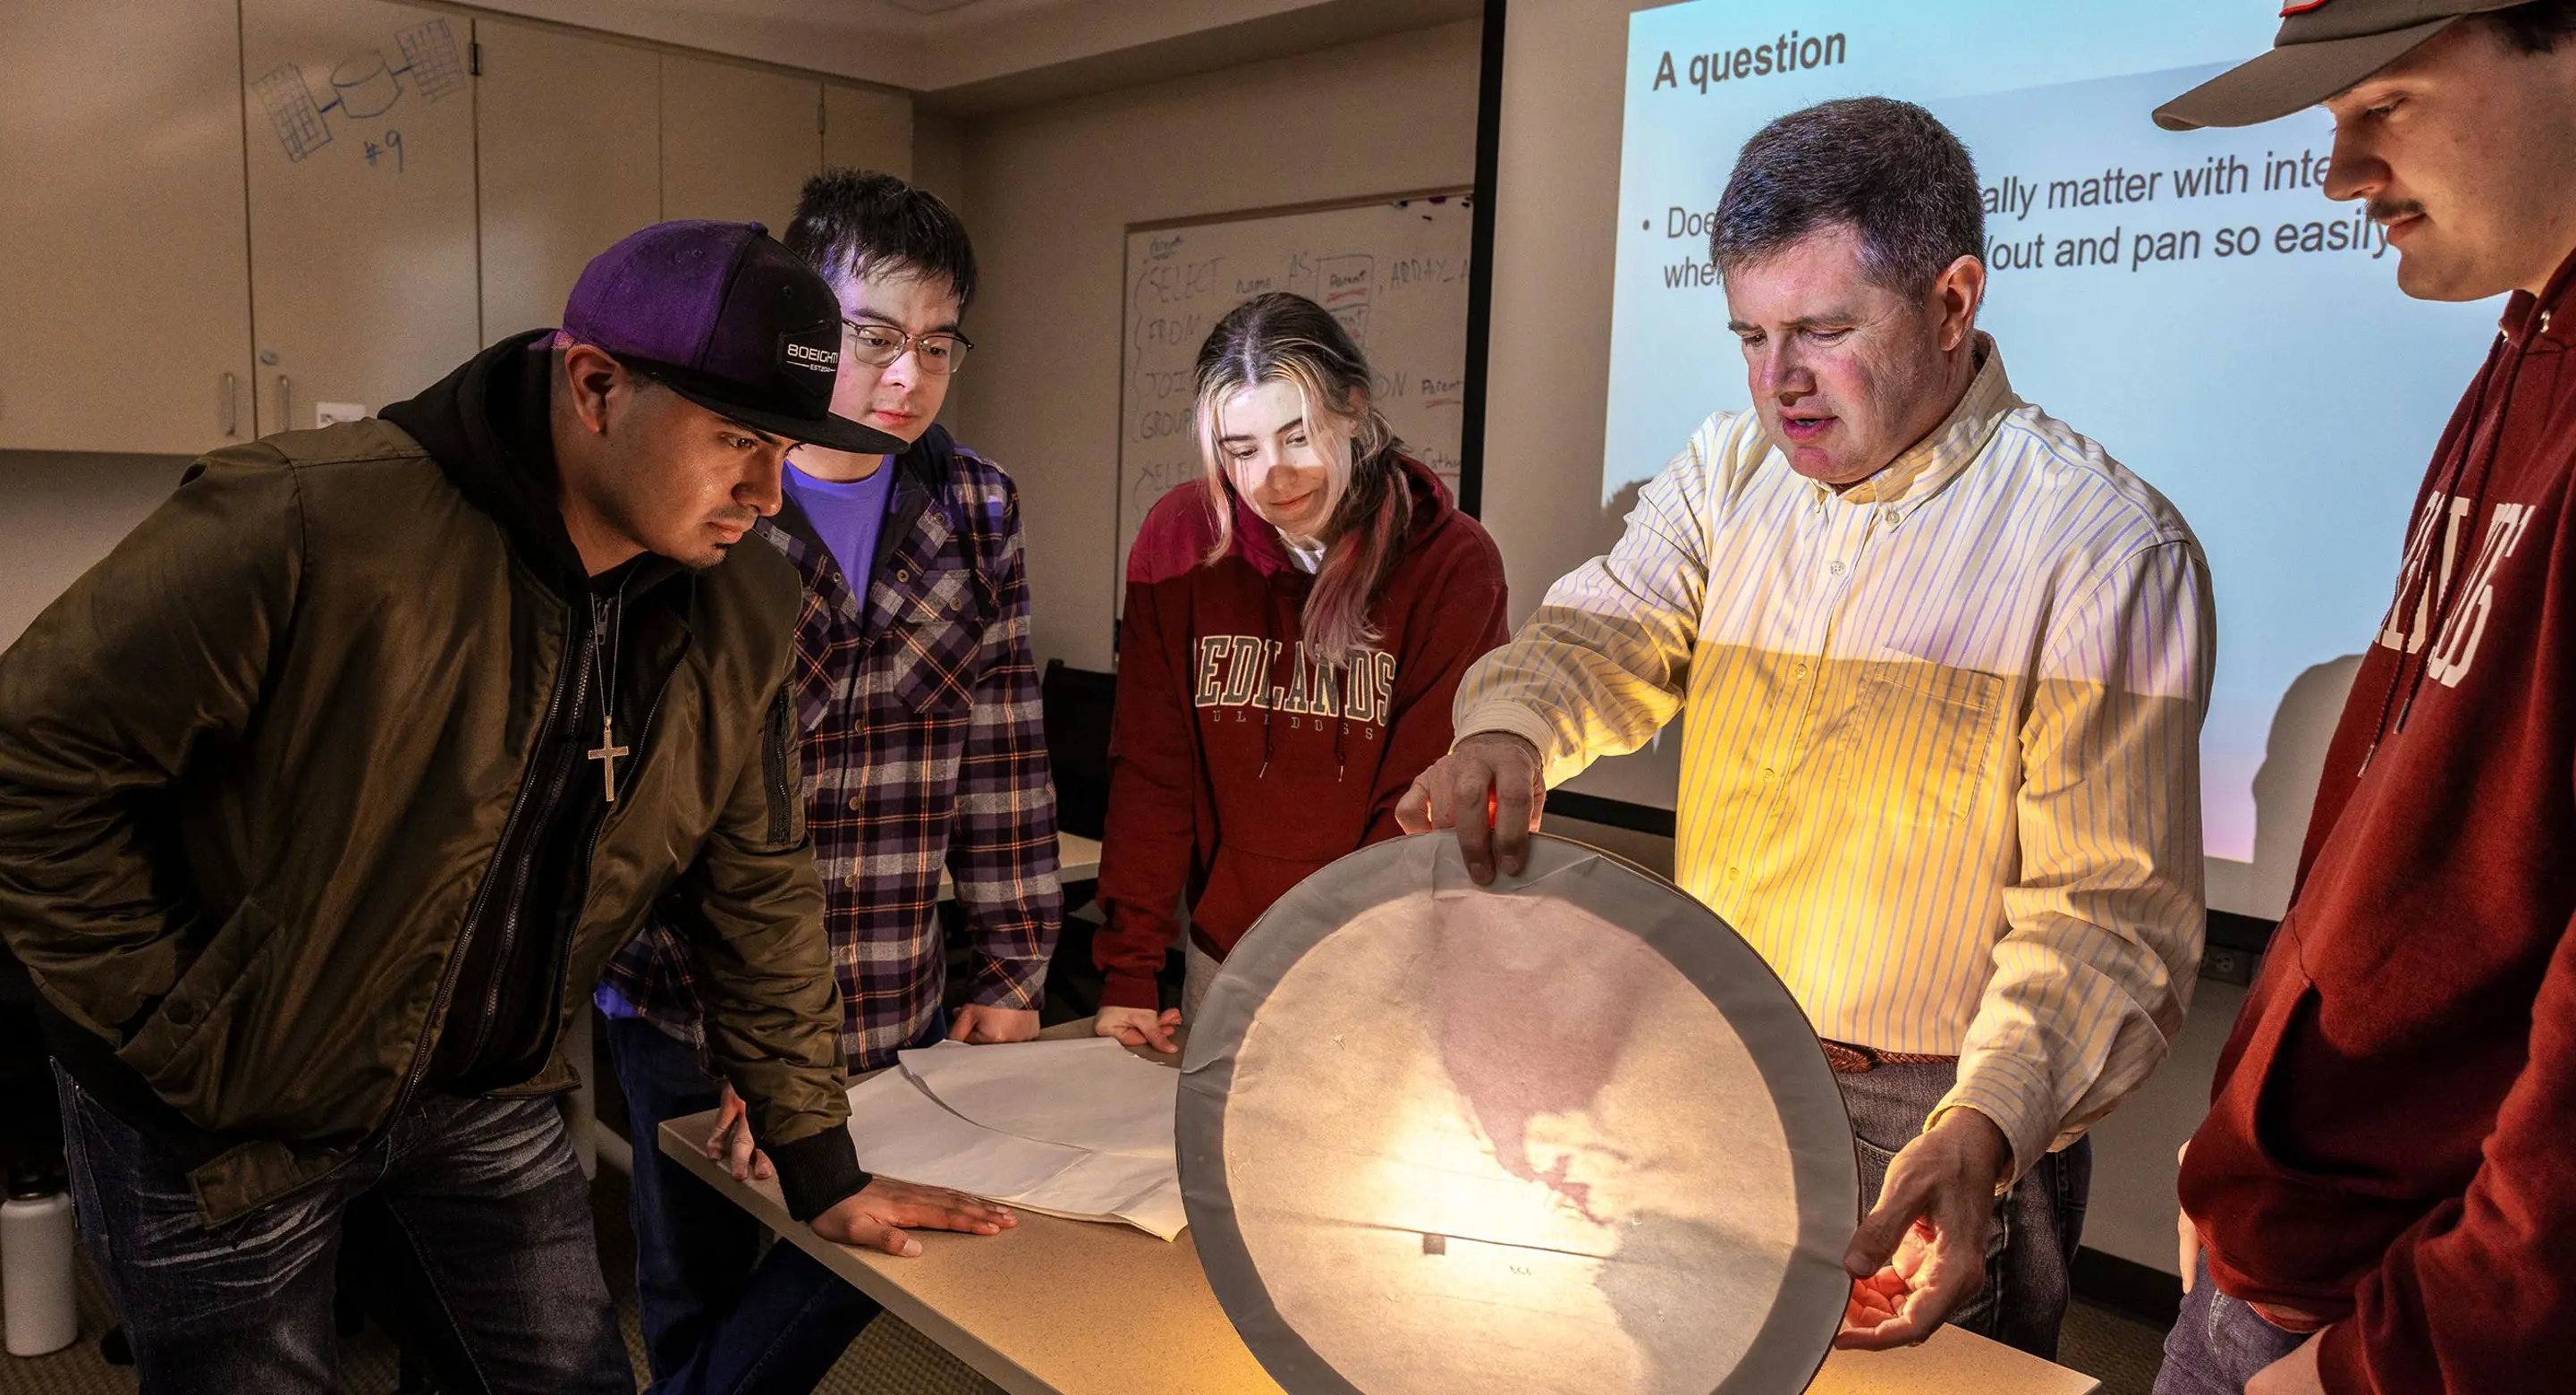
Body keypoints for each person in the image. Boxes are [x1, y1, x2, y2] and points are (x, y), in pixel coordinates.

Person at [0, 220, 1014, 1394]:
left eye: (782, 446)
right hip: (227, 1114)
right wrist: (176, 1032)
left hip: (486, 1093)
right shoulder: (304, 524)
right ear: (594, 385)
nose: (764, 489)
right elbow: (30, 771)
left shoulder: (746, 607)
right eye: (735, 436)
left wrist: (818, 1157)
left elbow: (760, 878)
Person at [1401, 98, 2215, 1360]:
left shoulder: (2102, 547)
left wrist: (1986, 1125)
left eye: (1824, 331)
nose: (1778, 380)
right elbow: (1601, 637)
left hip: (1933, 1111)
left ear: (1953, 302)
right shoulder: (1730, 473)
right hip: (1713, 1054)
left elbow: (2108, 921)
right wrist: (1512, 725)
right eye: (1752, 336)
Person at [2149, 4, 2576, 1391]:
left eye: (2381, 102)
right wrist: (2239, 1140)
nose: (2337, 176)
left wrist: (2406, 1353)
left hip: (2394, 1331)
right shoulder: (2523, 345)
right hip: (2293, 1258)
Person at [597, 172, 1059, 1393]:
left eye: (936, 346)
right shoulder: (706, 494)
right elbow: (657, 796)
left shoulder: (975, 505)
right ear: (805, 329)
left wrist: (1012, 967)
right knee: (691, 1276)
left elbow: (1002, 738)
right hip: (694, 1002)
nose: (907, 380)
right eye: (873, 341)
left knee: (856, 1263)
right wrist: (759, 1041)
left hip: (888, 982)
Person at [1090, 292, 1509, 1051]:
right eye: (1240, 450)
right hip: (1225, 957)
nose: (1273, 477)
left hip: (1382, 964)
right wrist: (1130, 969)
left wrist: (1345, 972)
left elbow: (1419, 807)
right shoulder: (1181, 541)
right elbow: (1153, 770)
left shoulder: (1452, 564)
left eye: (1299, 436)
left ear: (1353, 410)